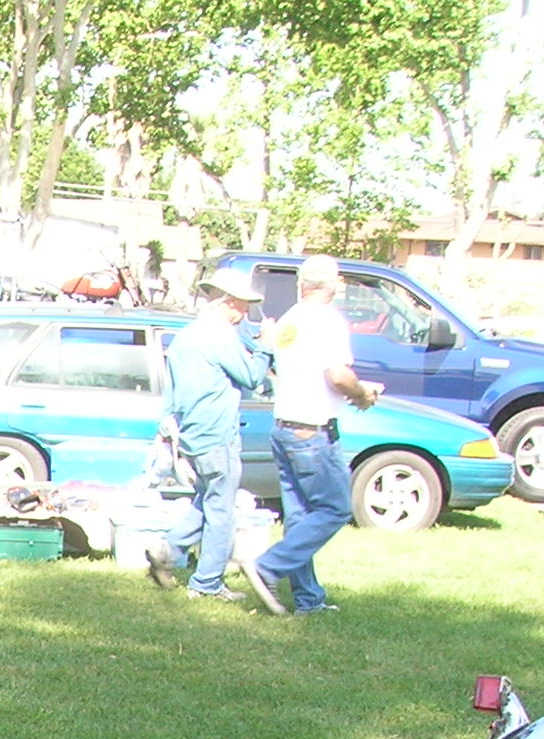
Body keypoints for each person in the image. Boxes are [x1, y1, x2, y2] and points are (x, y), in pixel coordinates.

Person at [250, 256, 382, 617]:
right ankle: (268, 567)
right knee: (335, 509)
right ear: (335, 284)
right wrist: (361, 394)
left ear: (301, 283)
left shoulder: (290, 320)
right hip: (313, 430)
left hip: (284, 427)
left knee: (300, 517)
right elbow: (337, 375)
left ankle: (308, 599)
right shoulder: (328, 321)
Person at [149, 267, 269, 602]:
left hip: (191, 434)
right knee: (222, 512)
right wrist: (266, 347)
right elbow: (251, 377)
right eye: (244, 305)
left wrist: (168, 432)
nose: (246, 312)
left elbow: (171, 393)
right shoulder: (221, 336)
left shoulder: (187, 335)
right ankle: (207, 583)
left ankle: (168, 548)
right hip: (218, 434)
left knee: (208, 498)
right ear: (229, 303)